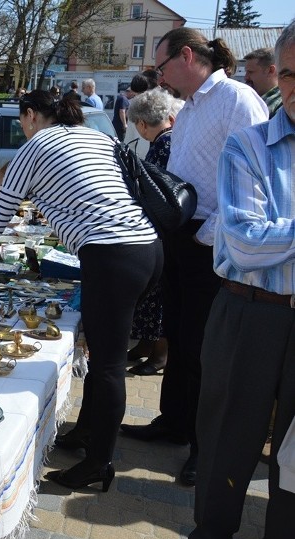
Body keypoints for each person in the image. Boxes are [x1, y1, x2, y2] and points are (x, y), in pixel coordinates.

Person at [0, 90, 162, 492]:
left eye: (21, 120)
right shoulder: (97, 134)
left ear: (30, 116)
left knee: (110, 365)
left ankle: (99, 464)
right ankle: (85, 434)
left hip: (113, 256)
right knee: (100, 350)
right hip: (146, 248)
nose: (22, 127)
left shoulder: (37, 144)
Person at [119, 27, 268, 487]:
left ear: (187, 56)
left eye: (162, 68)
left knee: (207, 351)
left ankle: (206, 448)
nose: (159, 79)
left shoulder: (237, 100)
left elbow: (257, 179)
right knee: (181, 338)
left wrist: (209, 235)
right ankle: (175, 422)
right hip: (183, 237)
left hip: (213, 246)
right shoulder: (194, 104)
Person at [189, 21, 295, 539]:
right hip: (250, 310)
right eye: (293, 74)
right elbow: (247, 241)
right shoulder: (249, 143)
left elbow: (269, 234)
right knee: (229, 437)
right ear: (278, 76)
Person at [124, 89, 184, 376]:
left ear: (143, 124)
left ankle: (159, 354)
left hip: (165, 230)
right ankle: (146, 346)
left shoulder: (164, 144)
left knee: (158, 295)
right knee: (150, 295)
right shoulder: (166, 140)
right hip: (162, 228)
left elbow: (156, 188)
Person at [243, 46, 281, 117]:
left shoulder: (284, 106)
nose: (246, 77)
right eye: (246, 72)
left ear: (271, 70)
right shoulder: (250, 99)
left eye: (250, 72)